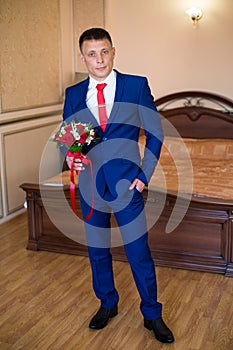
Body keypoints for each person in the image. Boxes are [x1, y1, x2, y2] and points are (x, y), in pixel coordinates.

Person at [63, 27, 174, 344]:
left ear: (113, 51)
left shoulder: (136, 86)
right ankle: (107, 304)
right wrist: (72, 157)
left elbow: (155, 133)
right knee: (97, 251)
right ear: (83, 56)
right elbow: (69, 136)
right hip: (90, 187)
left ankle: (152, 314)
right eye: (92, 53)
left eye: (104, 51)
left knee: (139, 253)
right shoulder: (73, 94)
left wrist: (144, 176)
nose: (99, 59)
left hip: (128, 185)